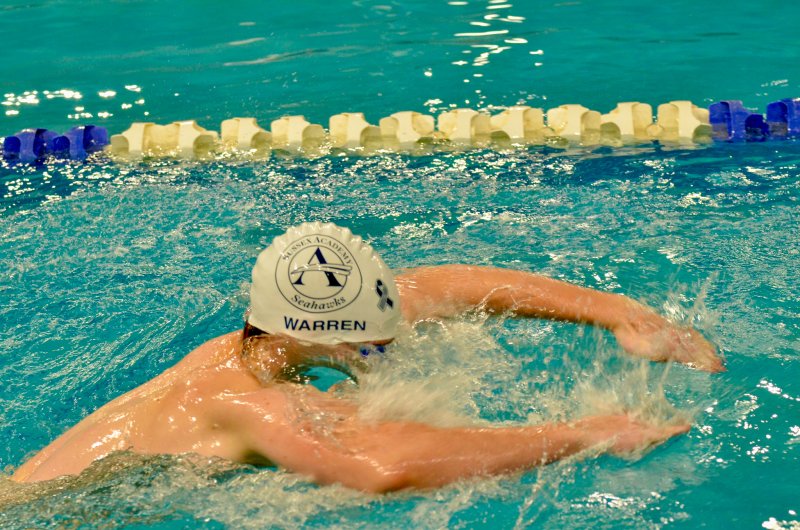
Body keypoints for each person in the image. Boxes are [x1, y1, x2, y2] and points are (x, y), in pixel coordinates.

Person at [11, 222, 722, 491]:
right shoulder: (244, 403)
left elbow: (444, 286)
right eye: (371, 340)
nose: (383, 349)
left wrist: (629, 319)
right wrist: (584, 433)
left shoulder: (271, 336)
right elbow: (382, 465)